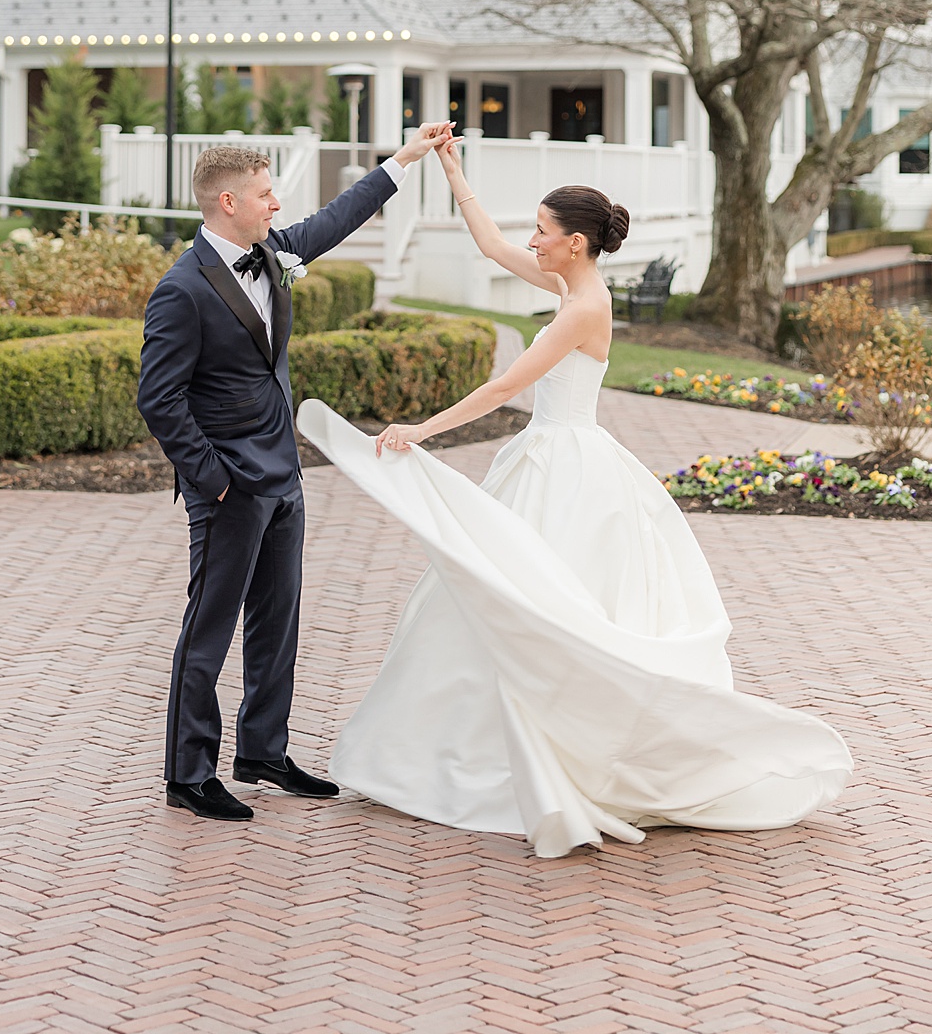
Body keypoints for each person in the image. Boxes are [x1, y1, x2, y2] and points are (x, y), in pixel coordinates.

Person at [294, 135, 852, 857]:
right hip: (548, 457)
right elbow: (494, 246)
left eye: (544, 233)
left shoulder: (581, 309)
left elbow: (504, 387)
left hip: (569, 471)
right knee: (496, 599)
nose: (533, 240)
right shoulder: (571, 285)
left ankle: (552, 751)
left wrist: (421, 430)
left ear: (576, 244)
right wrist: (453, 171)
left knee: (540, 606)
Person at [139, 123, 452, 824]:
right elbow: (157, 399)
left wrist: (403, 159)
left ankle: (262, 753)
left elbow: (337, 218)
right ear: (227, 202)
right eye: (264, 194)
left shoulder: (273, 252)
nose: (276, 204)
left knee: (278, 622)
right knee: (209, 629)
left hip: (284, 477)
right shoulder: (181, 290)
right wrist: (211, 480)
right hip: (229, 488)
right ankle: (189, 774)